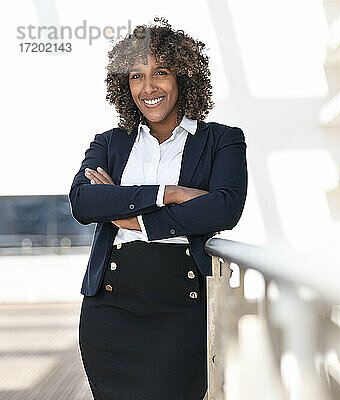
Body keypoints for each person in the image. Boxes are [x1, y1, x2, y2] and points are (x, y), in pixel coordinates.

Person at [69, 17, 248, 400]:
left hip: (182, 310)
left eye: (160, 73)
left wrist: (132, 216)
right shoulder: (110, 143)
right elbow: (84, 201)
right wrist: (171, 192)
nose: (148, 88)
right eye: (136, 76)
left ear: (183, 77)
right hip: (110, 309)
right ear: (125, 85)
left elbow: (224, 208)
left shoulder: (222, 140)